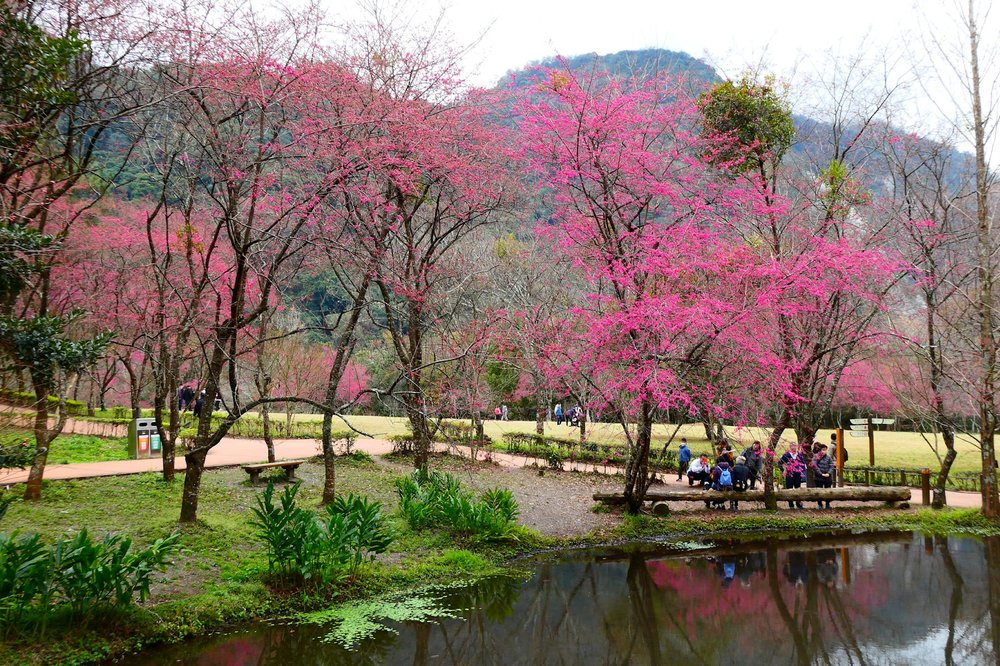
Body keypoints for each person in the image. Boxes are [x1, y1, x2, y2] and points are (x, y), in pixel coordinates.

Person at [778, 442, 807, 509]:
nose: (794, 447)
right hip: (789, 475)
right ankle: (791, 505)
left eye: (795, 446)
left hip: (797, 475)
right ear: (790, 447)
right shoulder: (786, 455)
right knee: (789, 489)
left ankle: (799, 504)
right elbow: (780, 463)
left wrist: (801, 472)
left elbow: (803, 464)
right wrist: (783, 470)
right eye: (792, 446)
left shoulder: (799, 455)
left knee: (797, 489)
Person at [810, 444, 835, 508]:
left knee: (828, 491)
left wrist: (828, 473)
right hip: (819, 478)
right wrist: (821, 474)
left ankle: (827, 504)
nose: (824, 451)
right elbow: (814, 467)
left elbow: (831, 466)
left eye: (825, 450)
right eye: (823, 450)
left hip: (827, 477)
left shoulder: (828, 457)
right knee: (819, 491)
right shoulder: (815, 457)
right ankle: (820, 504)